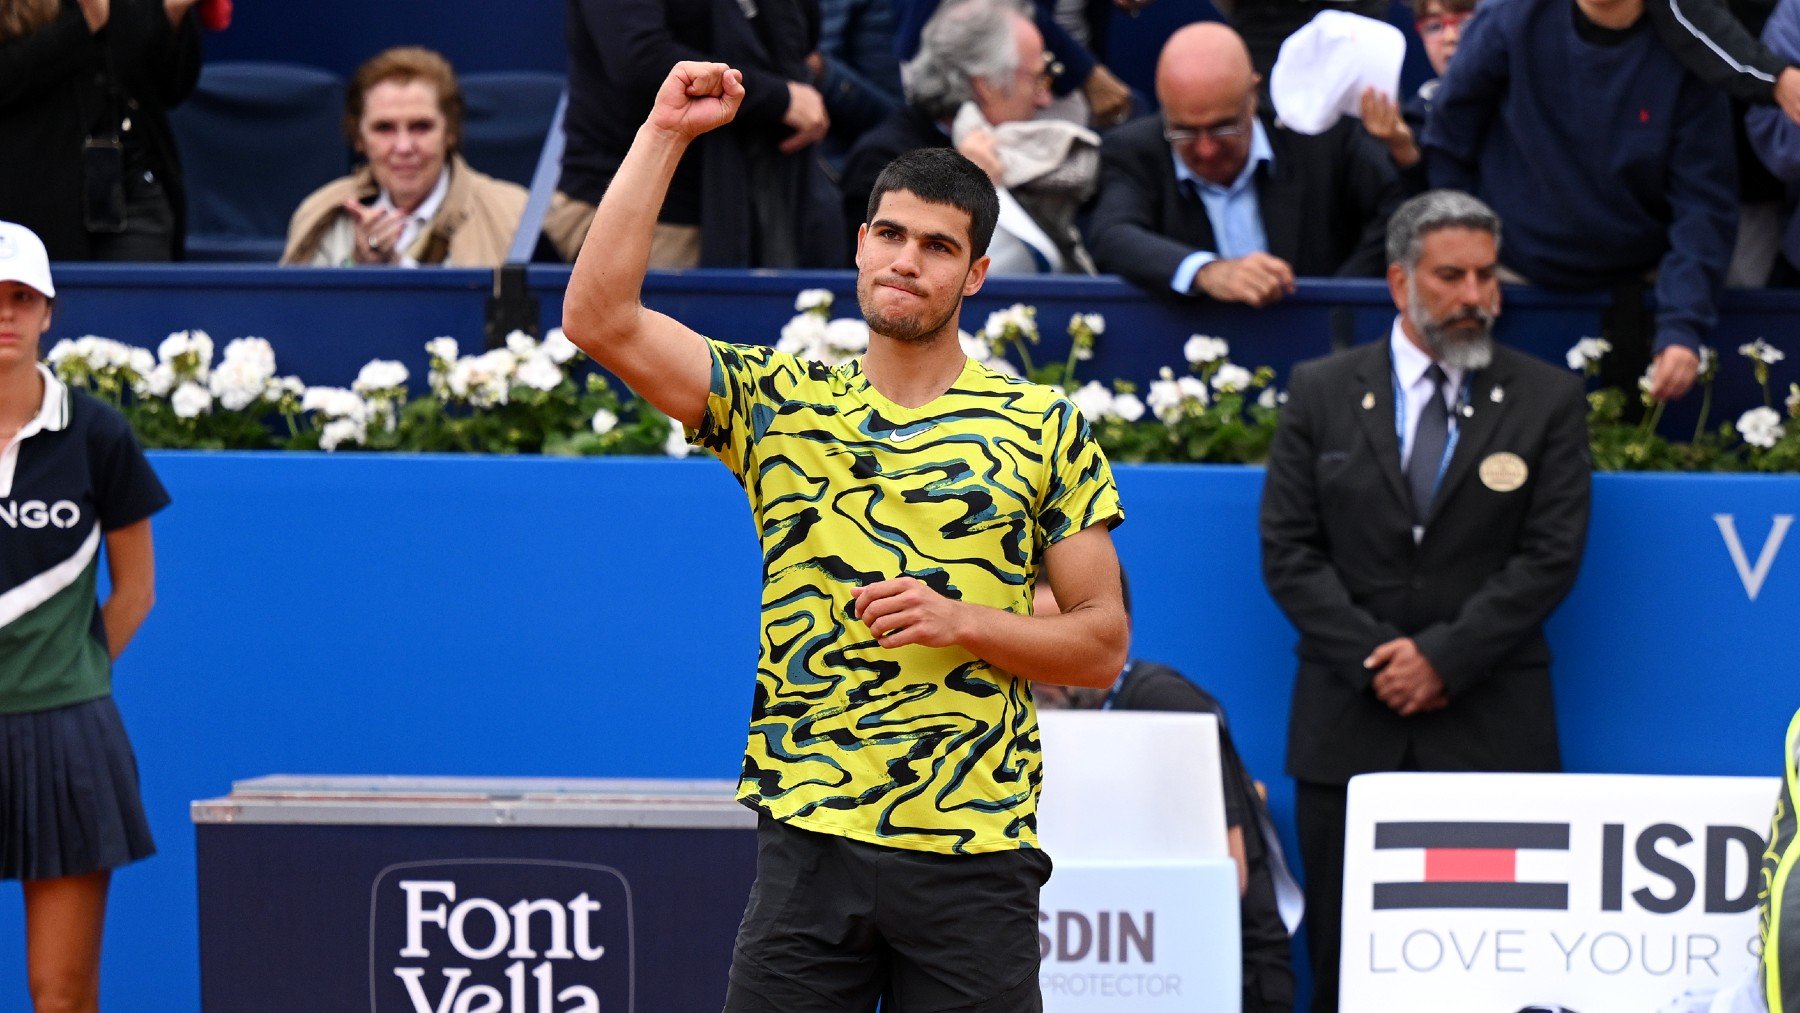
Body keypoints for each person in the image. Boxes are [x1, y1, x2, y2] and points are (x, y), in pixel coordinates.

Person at [561, 60, 1128, 1010]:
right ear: (860, 245)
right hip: (807, 849)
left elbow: (1102, 645)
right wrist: (663, 130)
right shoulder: (779, 402)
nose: (908, 260)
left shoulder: (1043, 426)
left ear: (976, 274)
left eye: (939, 247)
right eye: (892, 235)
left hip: (974, 858)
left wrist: (964, 621)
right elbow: (597, 317)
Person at [1259, 190, 1591, 1012]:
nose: (1475, 296)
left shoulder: (1548, 399)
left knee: (1495, 973)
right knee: (1347, 966)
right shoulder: (1322, 390)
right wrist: (1380, 661)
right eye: (1452, 276)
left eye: (1487, 276)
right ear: (1399, 279)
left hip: (1492, 727)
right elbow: (1289, 552)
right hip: (1348, 728)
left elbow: (1550, 557)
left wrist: (1442, 658)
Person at [0, 221, 167, 1011]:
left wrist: (72, 670)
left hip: (66, 733)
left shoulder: (98, 432)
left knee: (60, 991)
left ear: (48, 312)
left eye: (20, 297)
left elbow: (135, 589)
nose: (6, 314)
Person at [1422, 0, 1738, 402]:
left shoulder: (1691, 41)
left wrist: (1682, 326)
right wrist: (1471, 258)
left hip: (1639, 282)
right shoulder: (1510, 18)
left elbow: (1704, 205)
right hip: (1508, 272)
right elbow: (1448, 142)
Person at [1034, 577, 1298, 1013]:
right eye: (1031, 638)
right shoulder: (1048, 714)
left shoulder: (1164, 700)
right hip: (1108, 961)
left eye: (1062, 639)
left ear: (1118, 633)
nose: (1042, 663)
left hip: (1224, 974)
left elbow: (1230, 875)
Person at [1085, 22, 1402, 307]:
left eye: (1224, 128)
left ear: (1252, 95)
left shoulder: (1316, 135)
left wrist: (1332, 299)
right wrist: (1207, 272)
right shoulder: (1135, 151)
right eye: (1184, 131)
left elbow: (1396, 211)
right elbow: (1111, 235)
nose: (1207, 149)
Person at [547, 0, 844, 269]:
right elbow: (639, 58)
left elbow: (802, 36)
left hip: (763, 203)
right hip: (653, 217)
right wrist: (781, 99)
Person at [841, 0, 1101, 274]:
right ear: (987, 85)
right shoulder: (885, 158)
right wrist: (969, 186)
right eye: (1038, 80)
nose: (1044, 99)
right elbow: (885, 283)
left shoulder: (1023, 154)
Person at [281, 47, 527, 268]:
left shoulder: (514, 213)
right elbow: (295, 315)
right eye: (384, 128)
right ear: (359, 137)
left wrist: (395, 266)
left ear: (450, 132)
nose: (404, 147)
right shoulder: (320, 213)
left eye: (421, 126)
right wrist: (354, 267)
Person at [0, 0, 203, 262]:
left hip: (133, 190)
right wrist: (83, 25)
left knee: (136, 299)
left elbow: (170, 88)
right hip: (32, 196)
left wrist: (170, 15)